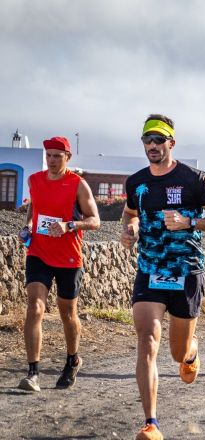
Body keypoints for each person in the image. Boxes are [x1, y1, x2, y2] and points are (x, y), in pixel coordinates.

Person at [121, 114, 205, 440]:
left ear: (171, 142)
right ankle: (151, 424)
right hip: (150, 270)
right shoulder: (136, 183)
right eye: (147, 140)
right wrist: (129, 230)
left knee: (176, 353)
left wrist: (189, 222)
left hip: (186, 272)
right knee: (146, 340)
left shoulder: (194, 179)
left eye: (159, 140)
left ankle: (191, 350)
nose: (152, 146)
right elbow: (130, 213)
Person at [17, 136, 100, 393]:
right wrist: (29, 225)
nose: (52, 161)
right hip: (38, 253)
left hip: (68, 257)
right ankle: (33, 373)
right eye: (49, 155)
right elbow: (36, 209)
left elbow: (95, 220)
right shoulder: (35, 180)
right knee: (35, 307)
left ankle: (72, 359)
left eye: (57, 156)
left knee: (67, 315)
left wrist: (69, 225)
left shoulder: (78, 184)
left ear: (67, 158)